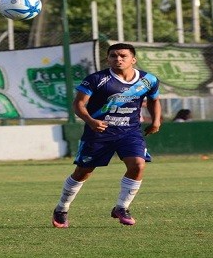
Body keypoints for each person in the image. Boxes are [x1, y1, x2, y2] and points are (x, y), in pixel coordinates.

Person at [51, 43, 161, 228]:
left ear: (133, 59)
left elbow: (154, 100)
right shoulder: (96, 79)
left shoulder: (148, 80)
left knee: (138, 164)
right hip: (99, 133)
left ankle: (122, 207)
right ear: (108, 59)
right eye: (113, 56)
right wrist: (91, 121)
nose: (118, 59)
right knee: (83, 172)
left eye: (123, 56)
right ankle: (62, 208)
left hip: (130, 131)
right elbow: (78, 104)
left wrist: (156, 121)